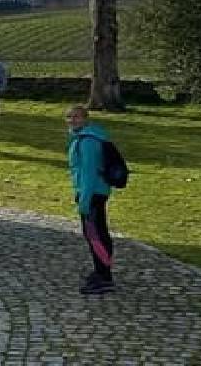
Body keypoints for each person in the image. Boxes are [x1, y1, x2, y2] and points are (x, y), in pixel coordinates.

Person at [66, 105, 116, 295]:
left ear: (86, 119)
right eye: (69, 117)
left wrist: (84, 201)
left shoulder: (88, 141)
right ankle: (101, 271)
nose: (72, 120)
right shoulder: (86, 137)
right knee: (97, 233)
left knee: (95, 236)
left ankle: (104, 276)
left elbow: (88, 172)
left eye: (76, 117)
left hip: (92, 193)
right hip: (94, 191)